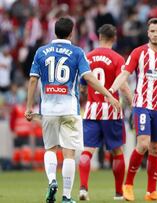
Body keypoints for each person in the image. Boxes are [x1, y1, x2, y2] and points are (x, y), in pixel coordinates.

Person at [25, 17, 120, 203]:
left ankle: (52, 180)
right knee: (69, 153)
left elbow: (33, 80)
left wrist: (29, 106)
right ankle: (67, 196)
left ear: (54, 32)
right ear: (71, 33)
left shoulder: (41, 52)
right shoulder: (77, 52)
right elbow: (89, 78)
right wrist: (108, 94)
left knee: (50, 149)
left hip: (48, 109)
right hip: (70, 108)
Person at [109, 18, 157, 202]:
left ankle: (151, 192)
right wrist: (111, 91)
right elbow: (124, 74)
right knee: (143, 144)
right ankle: (128, 185)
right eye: (153, 31)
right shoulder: (138, 53)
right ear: (148, 33)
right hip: (141, 105)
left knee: (156, 149)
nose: (156, 34)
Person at [78, 24, 133, 201]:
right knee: (117, 151)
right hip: (111, 111)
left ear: (98, 36)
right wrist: (133, 104)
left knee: (87, 151)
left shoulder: (88, 57)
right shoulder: (117, 58)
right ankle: (118, 193)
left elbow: (82, 87)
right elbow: (123, 85)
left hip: (92, 111)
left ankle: (83, 189)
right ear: (114, 38)